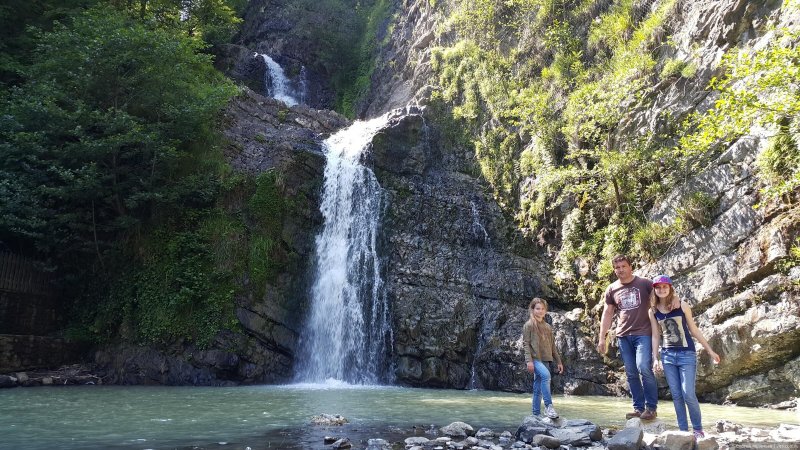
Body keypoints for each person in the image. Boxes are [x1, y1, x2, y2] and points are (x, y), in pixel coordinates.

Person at [596, 254, 678, 420]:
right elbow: (607, 313)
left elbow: (662, 293)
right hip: (623, 335)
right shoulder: (612, 289)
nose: (620, 270)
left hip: (644, 333)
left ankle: (651, 408)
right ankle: (638, 408)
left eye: (623, 266)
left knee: (643, 368)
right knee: (631, 373)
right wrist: (602, 338)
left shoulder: (644, 283)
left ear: (630, 267)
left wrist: (674, 300)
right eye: (617, 268)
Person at [649, 274, 721, 439]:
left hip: (686, 354)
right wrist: (655, 358)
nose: (661, 290)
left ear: (670, 288)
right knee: (676, 394)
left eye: (665, 287)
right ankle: (683, 431)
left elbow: (694, 330)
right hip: (667, 356)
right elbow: (655, 335)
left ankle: (697, 429)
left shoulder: (682, 305)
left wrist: (710, 351)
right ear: (654, 290)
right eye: (658, 287)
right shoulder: (652, 311)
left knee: (688, 393)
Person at [523, 297, 564, 419]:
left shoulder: (547, 327)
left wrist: (559, 361)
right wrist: (529, 361)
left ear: (545, 311)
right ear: (532, 309)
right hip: (535, 359)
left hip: (546, 359)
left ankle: (535, 414)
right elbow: (526, 344)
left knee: (537, 387)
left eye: (542, 309)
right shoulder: (529, 325)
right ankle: (548, 406)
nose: (540, 311)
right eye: (537, 308)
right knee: (546, 376)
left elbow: (552, 346)